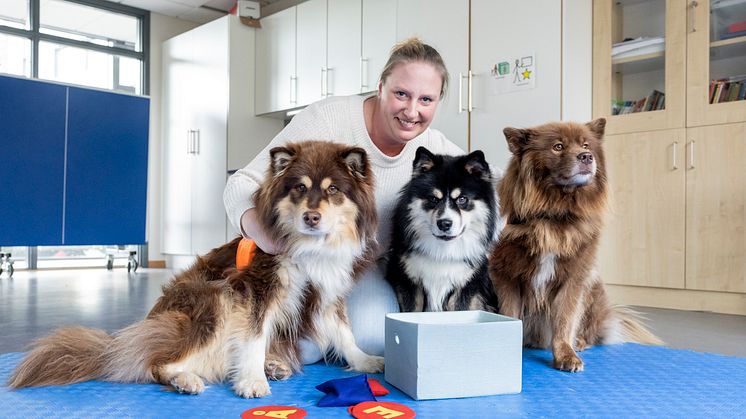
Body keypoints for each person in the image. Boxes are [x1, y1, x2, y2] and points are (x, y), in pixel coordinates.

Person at [223, 38, 464, 361]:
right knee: (302, 348)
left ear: (437, 102)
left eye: (426, 99)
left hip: (361, 268)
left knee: (373, 339)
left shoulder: (435, 147)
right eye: (401, 94)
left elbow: (492, 193)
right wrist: (263, 235)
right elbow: (240, 184)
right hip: (300, 260)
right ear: (380, 87)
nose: (411, 111)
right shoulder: (328, 119)